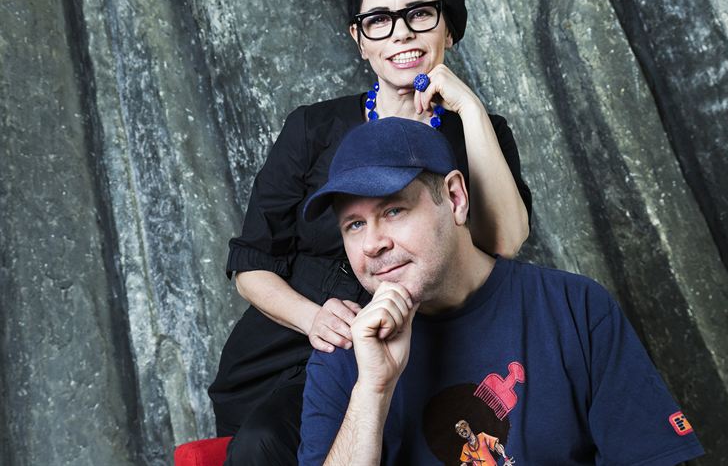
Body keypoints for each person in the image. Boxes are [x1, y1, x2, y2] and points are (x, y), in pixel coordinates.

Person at [208, 0, 532, 465]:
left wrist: (471, 111)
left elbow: (506, 242)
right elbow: (251, 264)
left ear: (448, 28)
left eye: (419, 14)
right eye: (379, 20)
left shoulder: (480, 134)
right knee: (264, 440)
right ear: (360, 41)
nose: (401, 32)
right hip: (298, 351)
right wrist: (314, 319)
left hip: (422, 351)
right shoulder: (312, 128)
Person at [297, 117, 705, 465]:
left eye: (393, 210)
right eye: (354, 225)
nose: (372, 244)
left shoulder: (575, 308)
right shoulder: (343, 353)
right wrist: (373, 389)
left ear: (455, 198)